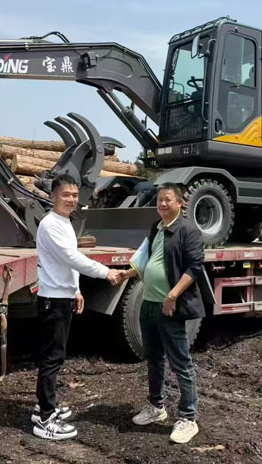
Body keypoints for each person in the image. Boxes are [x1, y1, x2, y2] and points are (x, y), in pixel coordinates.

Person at [32, 173, 122, 441]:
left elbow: (66, 263)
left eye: (74, 195)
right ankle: (45, 420)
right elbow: (72, 258)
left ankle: (42, 408)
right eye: (65, 195)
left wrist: (77, 290)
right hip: (53, 300)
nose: (71, 199)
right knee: (52, 358)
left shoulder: (64, 222)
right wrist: (106, 272)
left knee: (55, 355)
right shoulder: (50, 225)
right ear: (53, 196)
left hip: (62, 295)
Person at [117, 182, 205, 444]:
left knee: (180, 363)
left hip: (169, 306)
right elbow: (149, 262)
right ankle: (157, 407)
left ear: (179, 203)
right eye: (159, 200)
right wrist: (128, 273)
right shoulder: (156, 228)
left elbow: (195, 267)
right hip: (149, 304)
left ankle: (188, 419)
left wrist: (173, 295)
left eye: (168, 200)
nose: (162, 204)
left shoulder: (188, 230)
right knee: (153, 358)